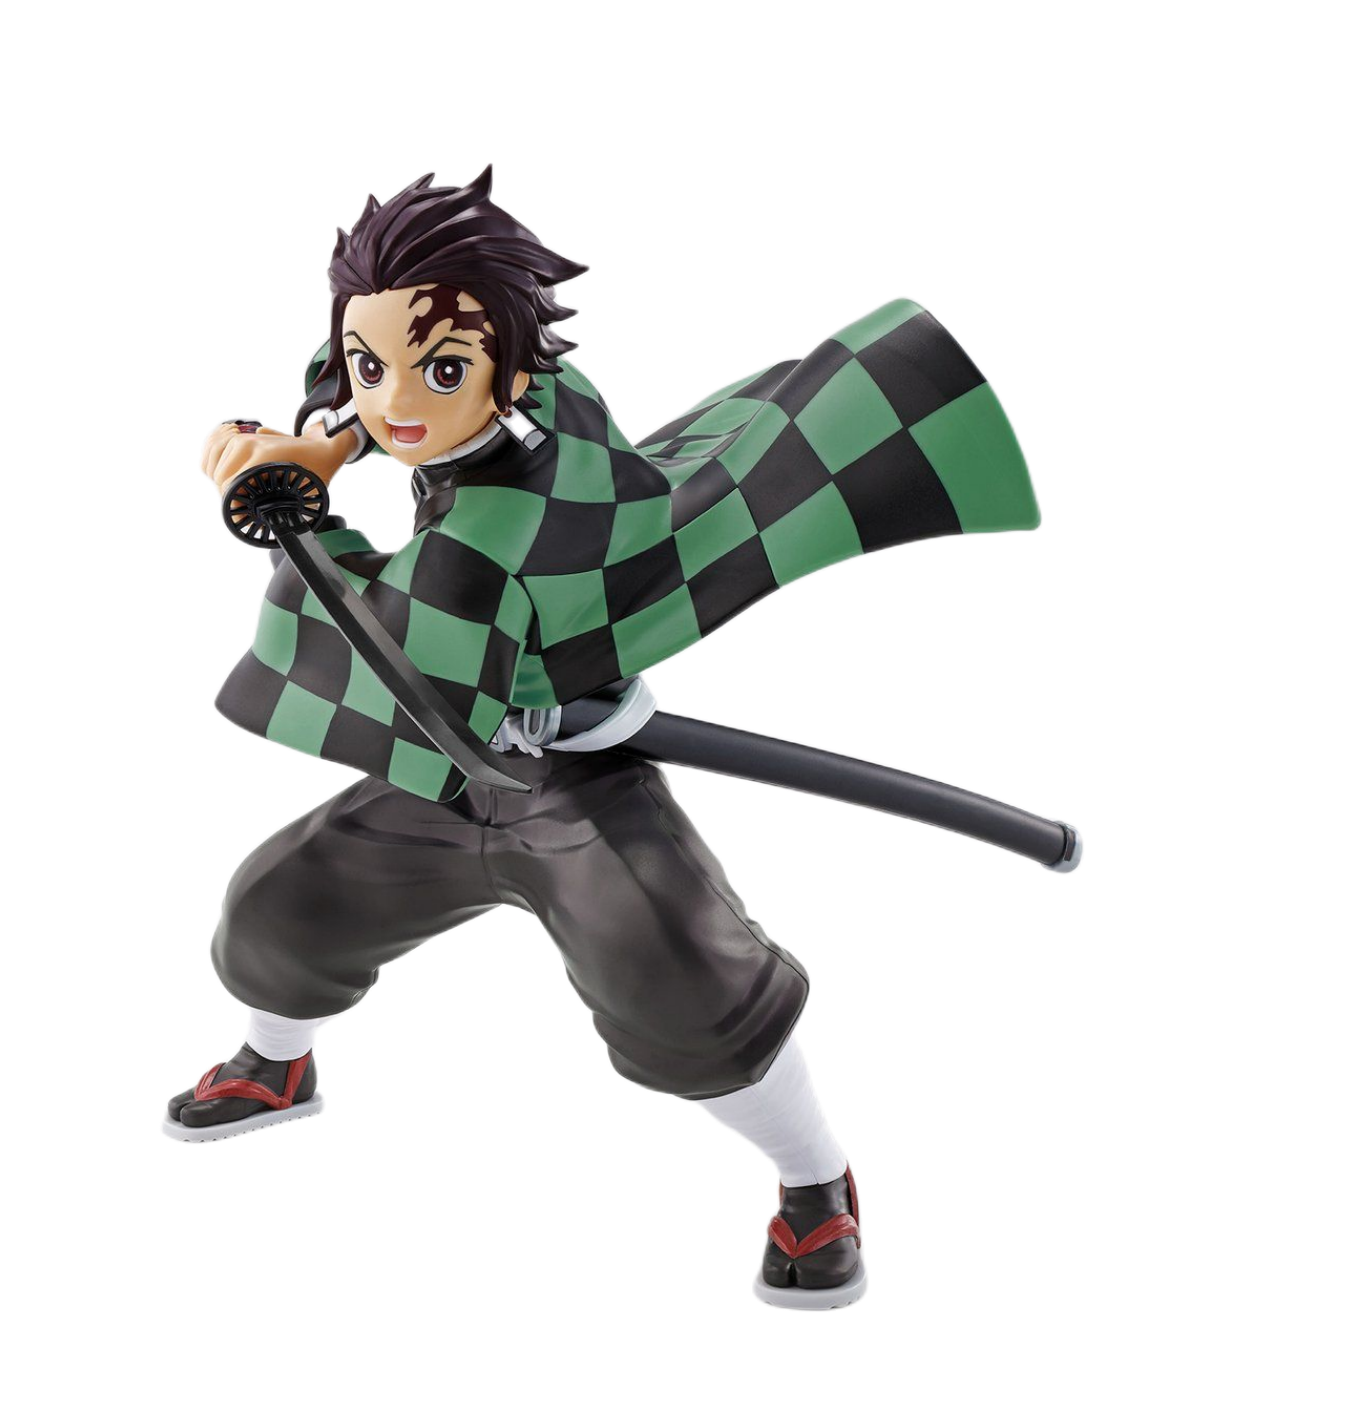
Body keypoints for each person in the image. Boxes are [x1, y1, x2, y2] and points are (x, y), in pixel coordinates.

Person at [167, 167, 1040, 1309]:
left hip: (558, 774)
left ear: (509, 365)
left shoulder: (508, 514)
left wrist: (301, 518)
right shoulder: (512, 378)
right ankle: (278, 1068)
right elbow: (364, 387)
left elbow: (381, 649)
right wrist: (320, 445)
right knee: (281, 906)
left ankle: (815, 1182)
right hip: (454, 769)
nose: (398, 402)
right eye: (375, 365)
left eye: (441, 371)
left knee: (686, 980)